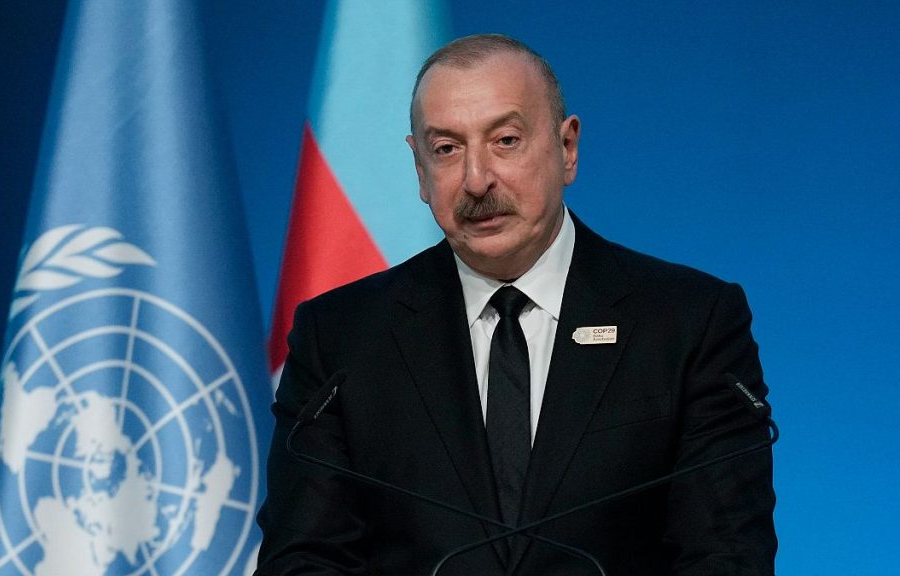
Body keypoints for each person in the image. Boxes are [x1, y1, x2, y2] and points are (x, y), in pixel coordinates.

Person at [256, 34, 776, 575]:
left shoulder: (689, 322)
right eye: (447, 149)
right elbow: (303, 559)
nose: (477, 180)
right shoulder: (340, 337)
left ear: (567, 148)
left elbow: (727, 556)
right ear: (419, 171)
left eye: (505, 140)